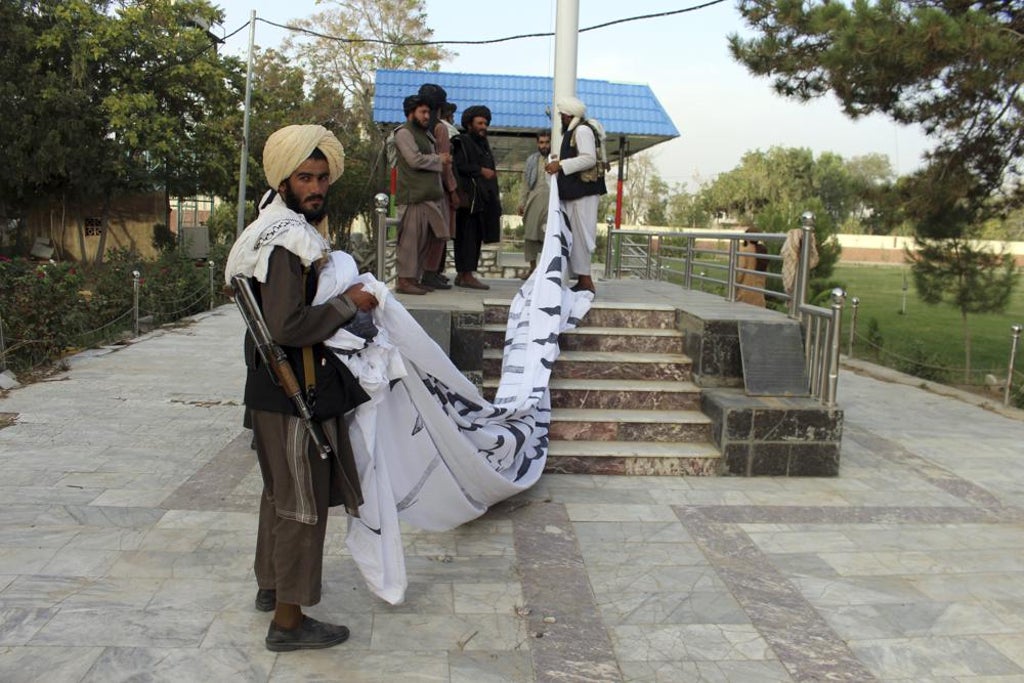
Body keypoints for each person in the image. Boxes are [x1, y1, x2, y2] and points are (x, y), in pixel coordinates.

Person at [224, 124, 379, 652]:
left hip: (272, 391)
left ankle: (273, 586)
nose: (315, 187)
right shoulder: (289, 240)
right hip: (293, 393)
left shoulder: (266, 225)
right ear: (284, 181)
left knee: (280, 496)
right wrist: (349, 304)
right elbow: (287, 326)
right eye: (305, 178)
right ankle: (288, 622)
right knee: (300, 505)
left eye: (321, 178)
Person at [545, 96, 608, 295]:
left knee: (581, 236)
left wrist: (561, 165)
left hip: (584, 193)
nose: (561, 119)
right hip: (576, 192)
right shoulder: (574, 131)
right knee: (573, 235)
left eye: (562, 116)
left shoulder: (581, 130)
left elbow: (589, 159)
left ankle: (586, 280)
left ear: (569, 115)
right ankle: (582, 279)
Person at [393, 94, 451, 295]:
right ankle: (404, 281)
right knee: (410, 242)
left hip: (428, 197)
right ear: (411, 113)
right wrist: (438, 159)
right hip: (413, 198)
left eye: (428, 112)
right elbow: (414, 160)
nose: (427, 116)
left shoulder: (425, 134)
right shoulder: (403, 133)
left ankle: (414, 279)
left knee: (428, 240)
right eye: (423, 112)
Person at [452, 105, 500, 290]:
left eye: (485, 123)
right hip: (468, 200)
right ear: (469, 124)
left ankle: (465, 274)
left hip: (481, 201)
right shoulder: (461, 142)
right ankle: (465, 275)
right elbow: (459, 166)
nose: (483, 127)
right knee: (466, 237)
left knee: (475, 237)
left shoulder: (483, 144)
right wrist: (480, 171)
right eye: (479, 123)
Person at [417, 83, 458, 290]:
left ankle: (423, 273)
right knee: (439, 233)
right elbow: (445, 163)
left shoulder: (412, 128)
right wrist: (453, 190)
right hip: (437, 189)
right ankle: (430, 273)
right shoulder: (440, 128)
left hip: (417, 187)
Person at [518, 131, 551, 276]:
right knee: (530, 236)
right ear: (537, 144)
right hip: (534, 201)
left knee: (548, 236)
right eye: (541, 142)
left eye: (547, 142)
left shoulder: (556, 159)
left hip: (551, 203)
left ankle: (545, 272)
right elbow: (525, 183)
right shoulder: (532, 160)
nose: (544, 146)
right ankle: (532, 269)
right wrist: (522, 202)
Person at [736, 227, 769, 307]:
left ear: (747, 238)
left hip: (745, 293)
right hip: (759, 294)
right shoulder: (763, 251)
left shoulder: (744, 251)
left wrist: (734, 285)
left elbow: (740, 271)